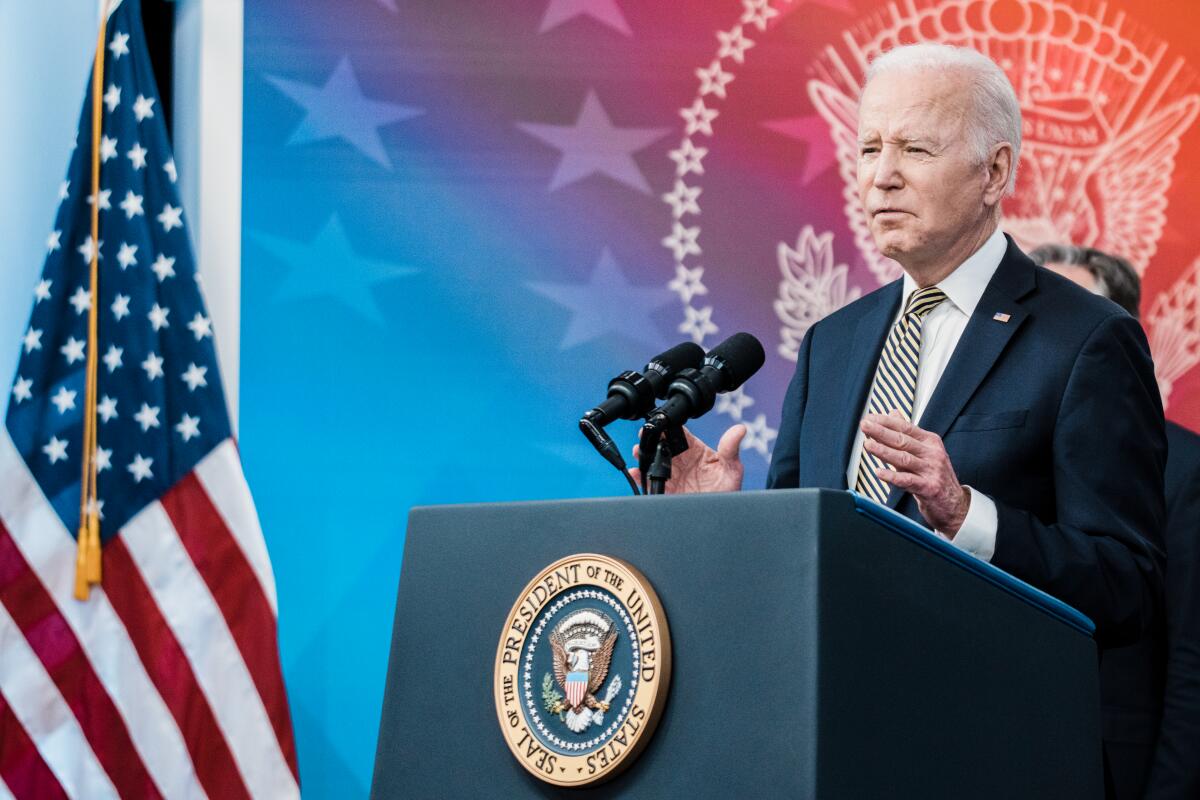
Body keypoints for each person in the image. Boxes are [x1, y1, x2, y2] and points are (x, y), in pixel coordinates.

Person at [639, 43, 1165, 647]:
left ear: (993, 173)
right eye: (869, 149)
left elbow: (1130, 585)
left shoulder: (1087, 338)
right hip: (832, 721)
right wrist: (723, 522)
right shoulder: (830, 344)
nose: (882, 175)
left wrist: (967, 515)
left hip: (983, 726)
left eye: (916, 149)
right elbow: (793, 568)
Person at [1030, 243, 1200, 800]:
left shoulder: (1183, 468)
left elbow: (1190, 669)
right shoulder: (980, 458)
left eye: (1066, 314)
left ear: (1120, 333)